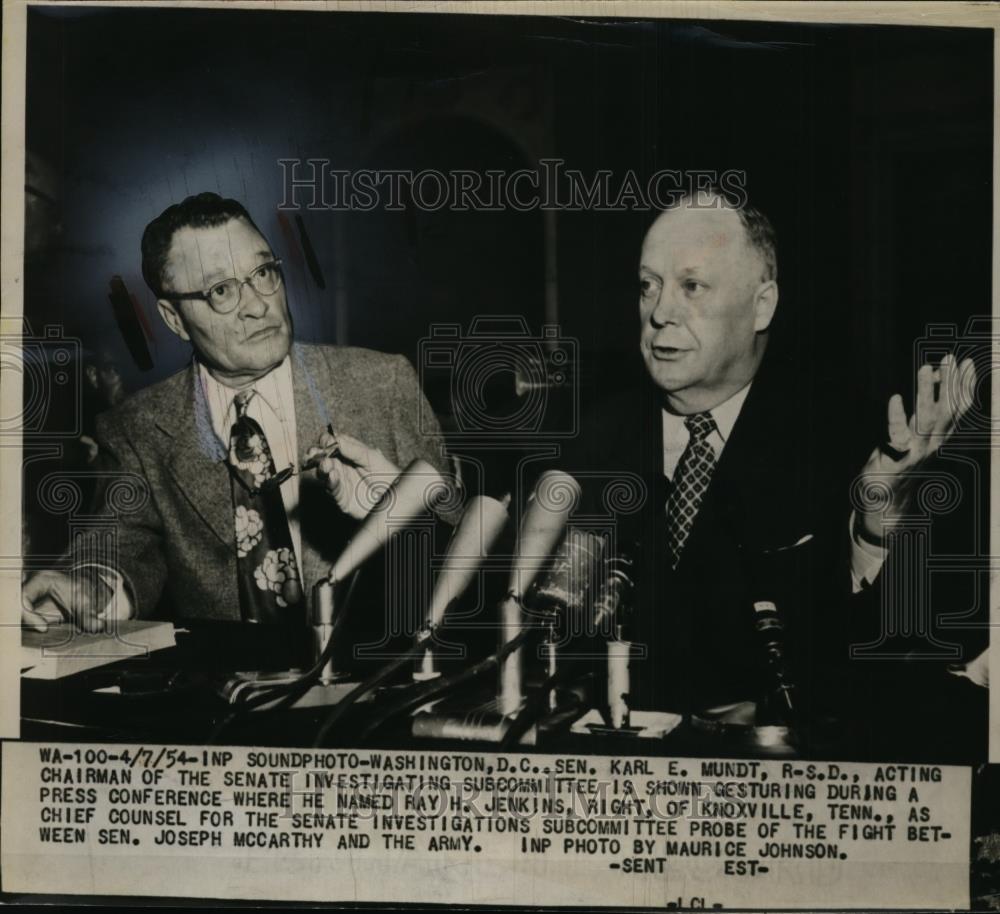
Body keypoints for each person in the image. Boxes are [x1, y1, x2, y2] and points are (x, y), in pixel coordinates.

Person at [562, 188, 981, 735]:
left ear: (762, 304)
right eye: (649, 286)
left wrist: (877, 530)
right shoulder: (589, 441)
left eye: (692, 287)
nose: (660, 313)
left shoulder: (840, 438)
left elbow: (893, 657)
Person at [21, 193, 452, 643]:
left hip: (376, 685)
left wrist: (411, 527)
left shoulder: (383, 383)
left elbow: (470, 559)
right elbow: (120, 546)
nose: (257, 304)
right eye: (221, 290)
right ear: (174, 319)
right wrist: (87, 587)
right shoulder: (137, 429)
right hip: (228, 699)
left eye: (263, 273)